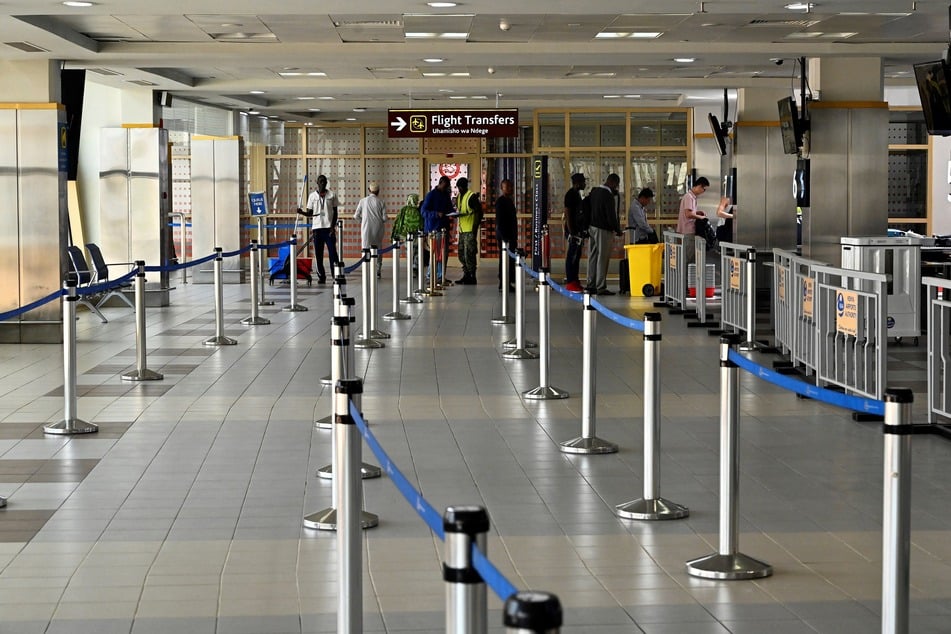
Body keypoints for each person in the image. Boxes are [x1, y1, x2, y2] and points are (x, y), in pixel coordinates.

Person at [584, 173, 622, 296]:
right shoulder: (608, 195)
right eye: (616, 185)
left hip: (592, 227)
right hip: (603, 229)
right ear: (612, 182)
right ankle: (601, 286)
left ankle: (591, 284)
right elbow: (611, 216)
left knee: (593, 256)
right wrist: (617, 229)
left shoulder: (594, 192)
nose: (616, 188)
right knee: (603, 257)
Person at [299, 174, 338, 284]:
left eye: (324, 181)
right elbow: (310, 213)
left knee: (333, 253)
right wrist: (302, 212)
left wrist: (332, 227)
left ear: (326, 182)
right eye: (320, 181)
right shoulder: (312, 196)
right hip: (317, 229)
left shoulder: (332, 195)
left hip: (328, 229)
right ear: (317, 182)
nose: (322, 183)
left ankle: (335, 276)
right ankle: (321, 276)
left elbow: (335, 212)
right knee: (319, 254)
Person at [421, 175, 453, 280]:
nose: (447, 188)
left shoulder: (446, 195)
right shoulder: (431, 195)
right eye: (445, 186)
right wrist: (436, 214)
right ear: (440, 183)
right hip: (434, 229)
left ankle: (441, 275)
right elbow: (423, 212)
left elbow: (449, 208)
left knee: (444, 253)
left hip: (444, 228)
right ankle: (431, 275)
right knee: (435, 253)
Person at [354, 182, 387, 277]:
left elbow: (356, 216)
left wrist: (362, 221)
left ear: (369, 190)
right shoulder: (381, 202)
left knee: (365, 248)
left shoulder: (363, 201)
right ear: (378, 191)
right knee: (378, 249)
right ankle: (378, 270)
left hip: (366, 229)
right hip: (378, 229)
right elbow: (385, 218)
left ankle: (366, 268)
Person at [455, 177, 482, 284]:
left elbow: (479, 213)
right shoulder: (459, 197)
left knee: (469, 253)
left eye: (461, 187)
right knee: (461, 254)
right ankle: (466, 274)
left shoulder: (471, 197)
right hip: (462, 230)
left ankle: (472, 276)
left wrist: (475, 228)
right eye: (458, 187)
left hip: (470, 230)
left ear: (465, 186)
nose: (459, 189)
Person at [677, 176, 709, 264]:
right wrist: (701, 217)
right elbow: (688, 214)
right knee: (688, 258)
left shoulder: (691, 197)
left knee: (687, 257)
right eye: (704, 189)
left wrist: (698, 212)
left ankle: (686, 276)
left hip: (686, 231)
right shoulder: (689, 197)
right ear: (699, 186)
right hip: (688, 231)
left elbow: (690, 212)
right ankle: (686, 277)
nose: (703, 192)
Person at [563, 173, 587, 293]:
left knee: (576, 256)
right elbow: (568, 213)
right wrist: (572, 231)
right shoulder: (570, 195)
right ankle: (570, 281)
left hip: (578, 231)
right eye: (583, 182)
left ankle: (575, 279)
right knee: (572, 256)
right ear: (577, 183)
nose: (585, 184)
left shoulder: (577, 194)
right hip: (573, 232)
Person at [495, 178, 518, 292]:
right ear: (502, 188)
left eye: (511, 186)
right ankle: (503, 282)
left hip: (511, 236)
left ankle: (508, 281)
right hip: (505, 237)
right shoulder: (501, 202)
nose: (510, 189)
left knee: (510, 260)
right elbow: (500, 222)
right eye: (507, 187)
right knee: (505, 260)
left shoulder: (509, 201)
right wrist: (504, 238)